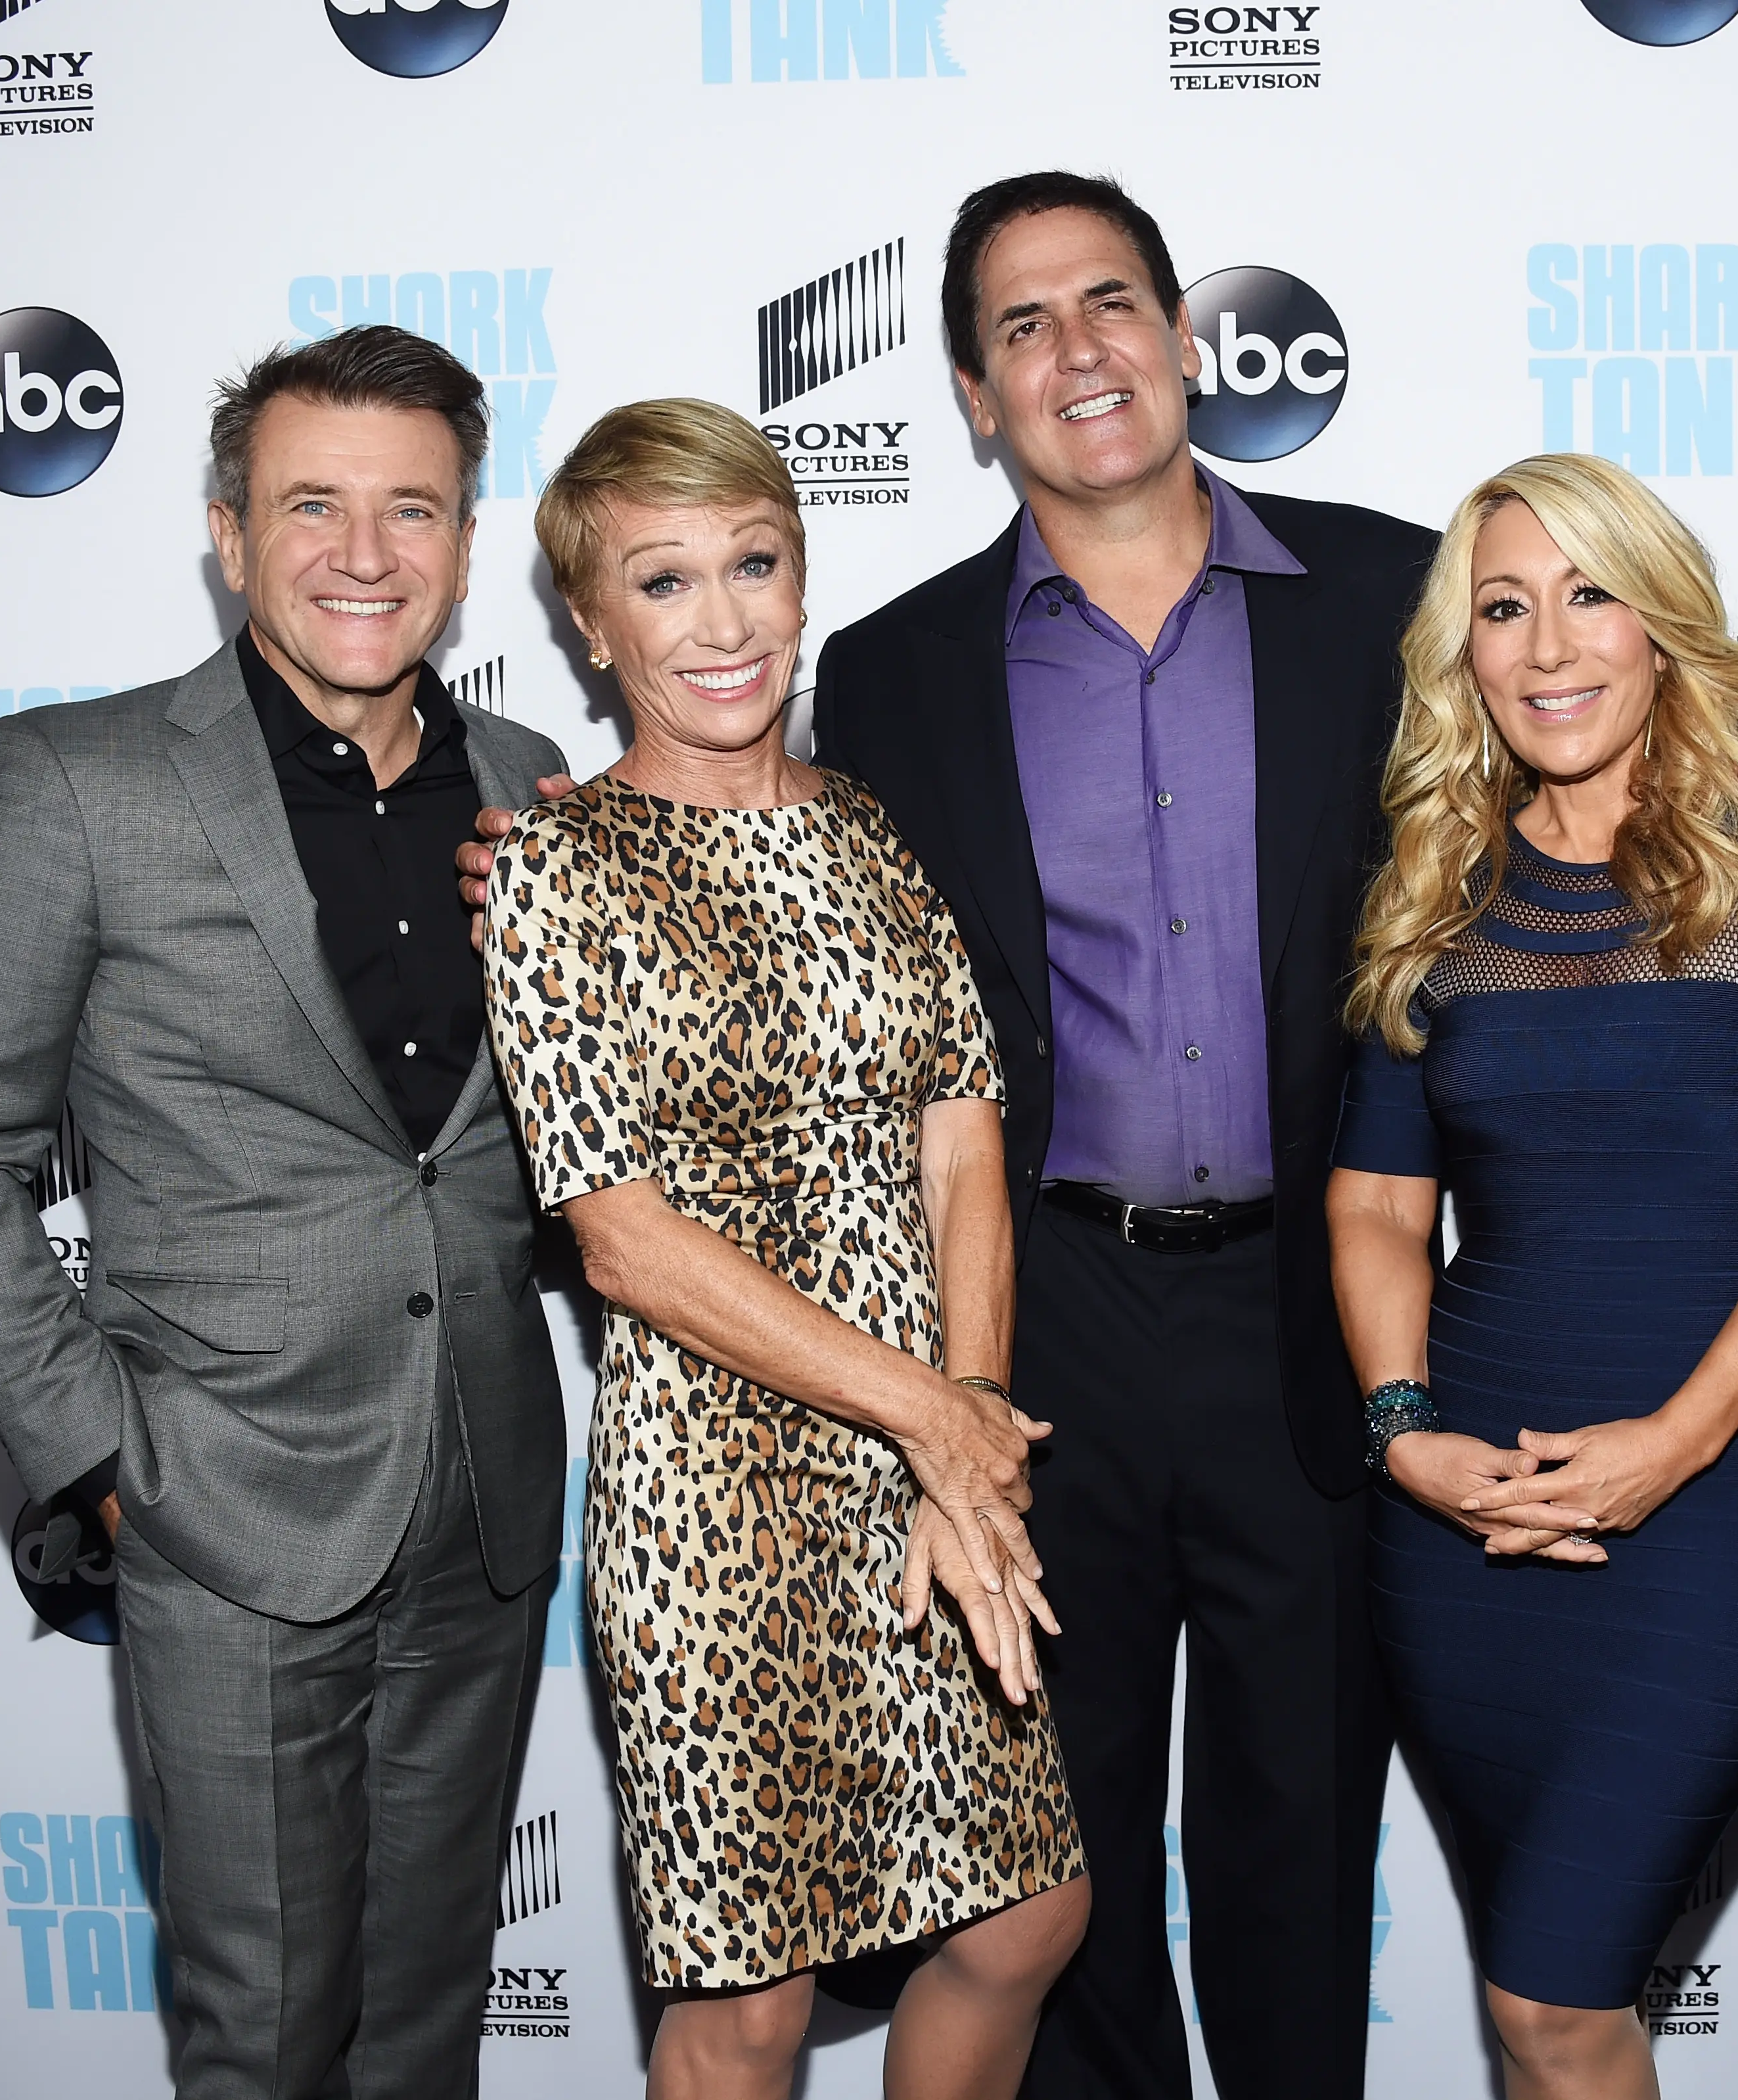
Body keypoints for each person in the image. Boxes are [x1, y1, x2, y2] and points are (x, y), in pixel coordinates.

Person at [464, 171, 1738, 2100]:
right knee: (1062, 1877)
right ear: (973, 392)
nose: (1080, 349)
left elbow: (1596, 705)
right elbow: (735, 845)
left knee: (1302, 1842)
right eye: (1024, 325)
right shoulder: (889, 668)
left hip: (1320, 1310)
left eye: (1112, 299)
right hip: (1035, 1331)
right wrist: (527, 843)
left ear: (1187, 335)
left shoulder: (1399, 599)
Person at [0, 325, 572, 2100]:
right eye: (311, 505)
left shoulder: (529, 775)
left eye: (410, 508)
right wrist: (109, 1459)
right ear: (225, 531)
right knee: (262, 2040)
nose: (364, 552)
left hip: (482, 1498)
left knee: (425, 2035)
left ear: (466, 542)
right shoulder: (77, 781)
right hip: (226, 1511)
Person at [480, 398, 1087, 2100]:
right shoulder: (557, 866)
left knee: (1027, 1911)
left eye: (755, 564)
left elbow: (961, 1133)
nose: (726, 618)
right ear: (595, 629)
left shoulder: (871, 830)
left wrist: (969, 1427)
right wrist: (929, 1412)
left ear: (803, 582)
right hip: (716, 1506)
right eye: (666, 582)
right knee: (753, 1999)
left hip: (927, 1478)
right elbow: (622, 1241)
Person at [1325, 454, 1738, 2100]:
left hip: (1714, 1499)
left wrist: (1678, 1439)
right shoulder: (1433, 889)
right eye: (1503, 606)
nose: (1549, 643)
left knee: (1552, 2001)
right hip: (1466, 1505)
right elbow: (1374, 1208)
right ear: (1465, 653)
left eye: (1592, 594)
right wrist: (1404, 1429)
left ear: (1664, 629)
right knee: (1537, 1995)